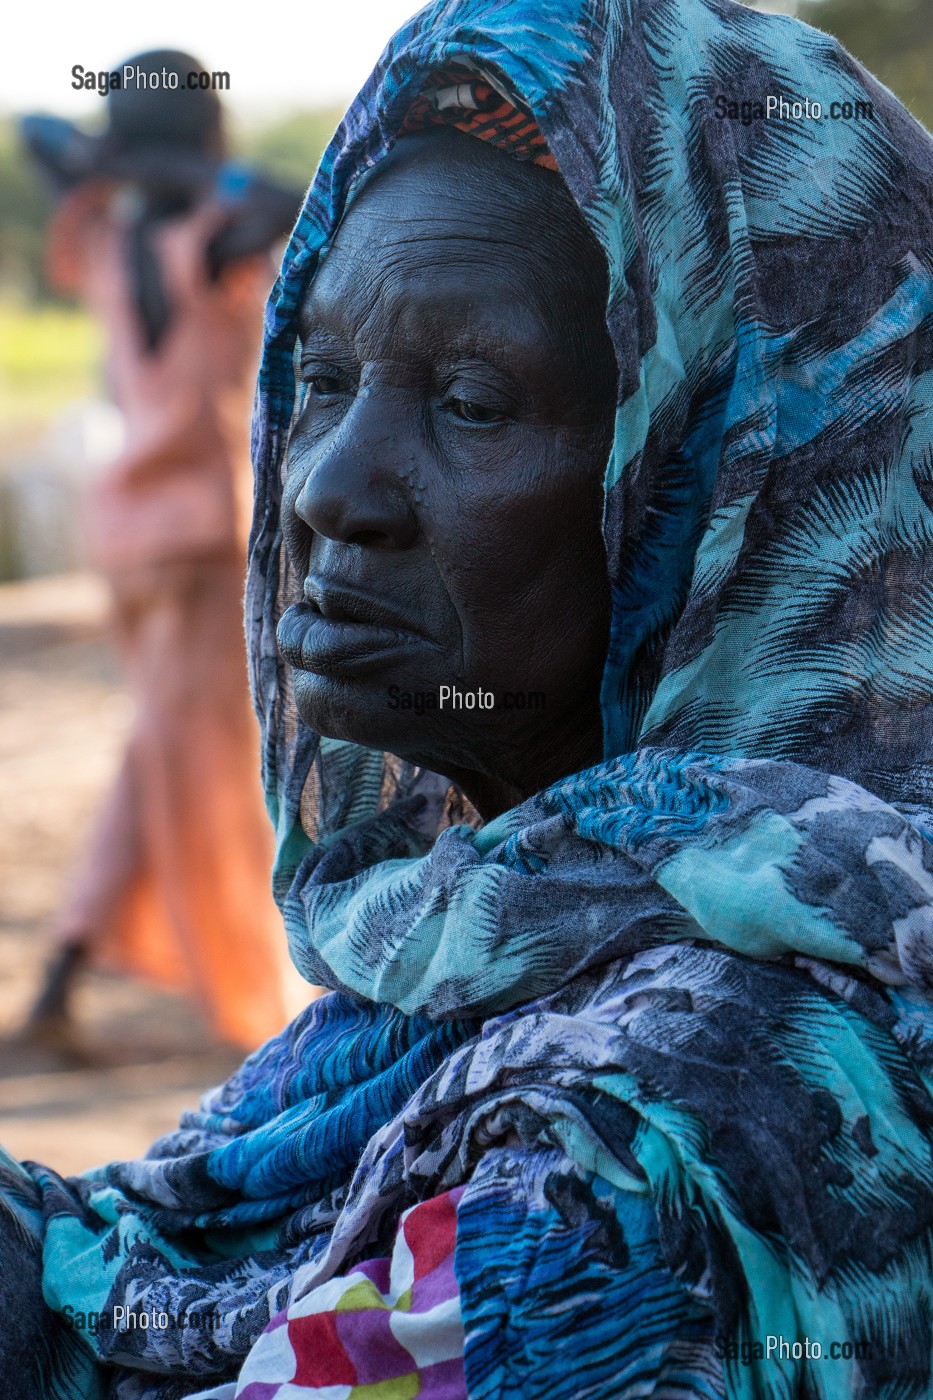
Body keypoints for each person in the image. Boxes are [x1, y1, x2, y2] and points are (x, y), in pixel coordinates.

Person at [3, 0, 933, 1394]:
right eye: (317, 381)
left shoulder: (655, 1147)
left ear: (712, 477)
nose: (325, 491)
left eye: (475, 403)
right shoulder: (506, 945)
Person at [18, 53, 307, 1052]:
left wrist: (125, 162)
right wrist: (175, 170)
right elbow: (294, 196)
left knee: (160, 752)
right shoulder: (218, 234)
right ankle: (211, 995)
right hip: (201, 537)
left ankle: (65, 970)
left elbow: (40, 139)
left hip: (124, 536)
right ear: (208, 136)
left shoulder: (103, 229)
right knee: (199, 769)